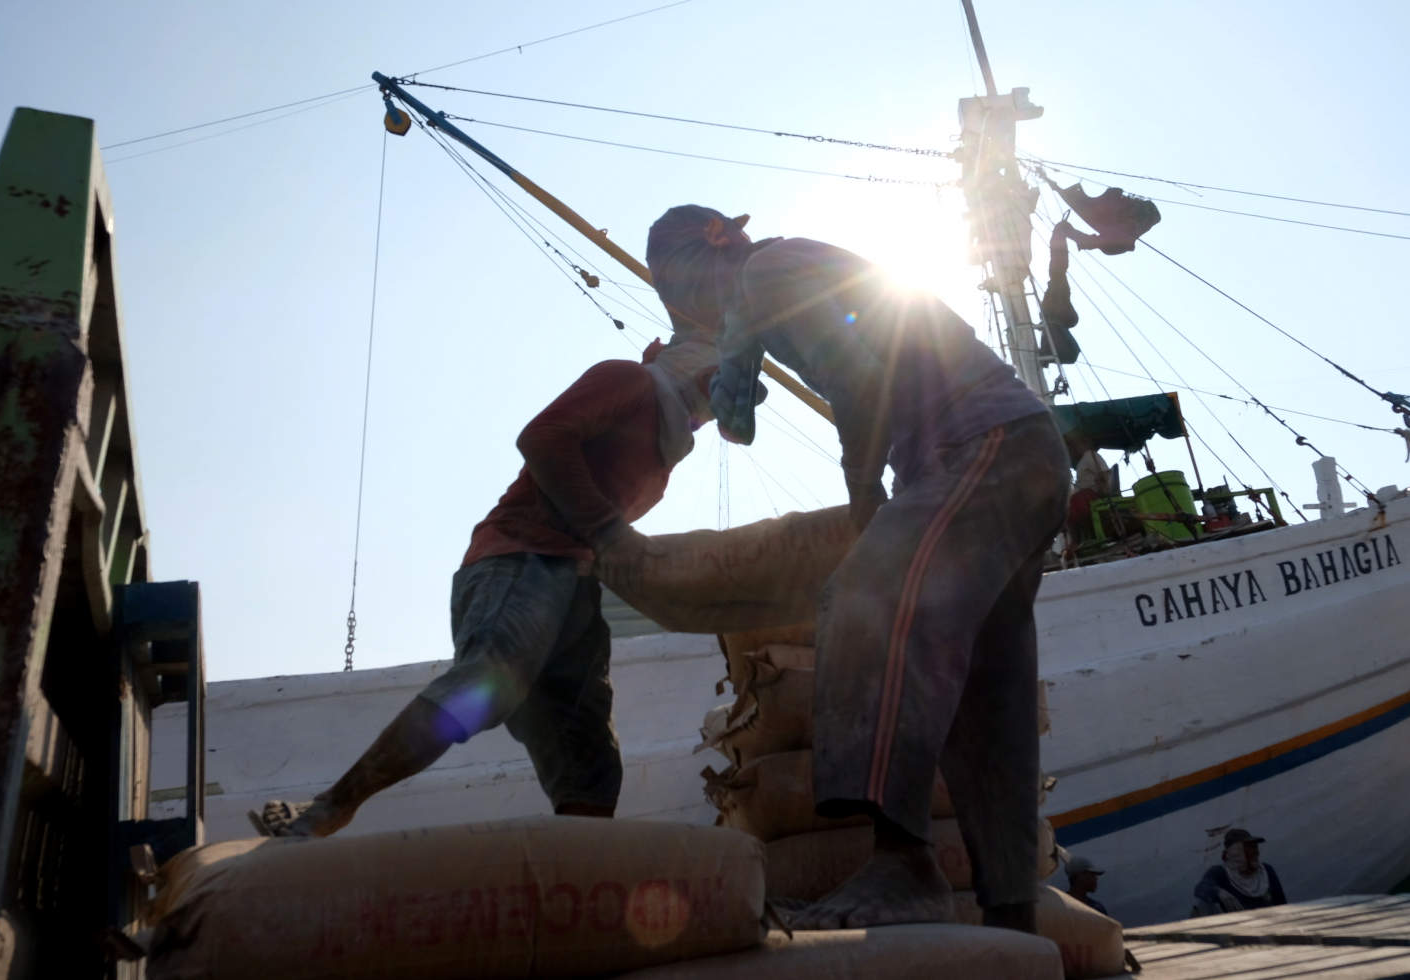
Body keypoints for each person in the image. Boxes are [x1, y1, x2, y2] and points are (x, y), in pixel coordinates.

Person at [646, 205, 1072, 933]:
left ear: (713, 247)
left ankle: (902, 863)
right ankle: (1010, 909)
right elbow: (741, 426)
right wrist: (732, 368)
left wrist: (862, 488)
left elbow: (860, 378)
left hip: (980, 446)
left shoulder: (769, 268)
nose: (690, 307)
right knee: (981, 688)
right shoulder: (763, 291)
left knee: (864, 600)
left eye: (683, 287)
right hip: (1017, 455)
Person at [250, 337, 720, 836]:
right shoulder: (629, 380)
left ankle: (579, 875)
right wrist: (609, 531)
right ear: (703, 366)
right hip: (520, 558)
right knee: (486, 684)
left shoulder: (666, 456)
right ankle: (330, 807)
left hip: (574, 585)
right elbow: (543, 437)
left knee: (589, 756)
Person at [1192, 828, 1287, 915]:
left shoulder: (1266, 871)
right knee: (1202, 904)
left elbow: (1282, 903)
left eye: (1255, 847)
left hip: (1269, 925)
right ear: (1236, 852)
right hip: (1240, 928)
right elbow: (1201, 888)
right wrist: (1219, 892)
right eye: (1249, 848)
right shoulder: (1220, 873)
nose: (1256, 852)